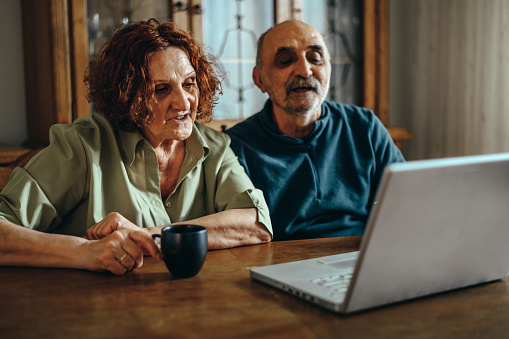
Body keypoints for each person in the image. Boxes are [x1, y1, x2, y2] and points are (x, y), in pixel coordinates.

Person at [0, 19, 272, 275]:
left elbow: (256, 224)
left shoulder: (214, 145)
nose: (184, 102)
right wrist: (85, 252)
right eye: (162, 89)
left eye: (189, 84)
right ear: (128, 95)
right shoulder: (82, 145)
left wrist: (151, 236)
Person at [225, 20, 404, 241]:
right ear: (260, 79)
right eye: (285, 60)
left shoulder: (364, 126)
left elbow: (405, 203)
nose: (304, 70)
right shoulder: (235, 147)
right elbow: (240, 238)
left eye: (315, 58)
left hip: (360, 256)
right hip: (280, 264)